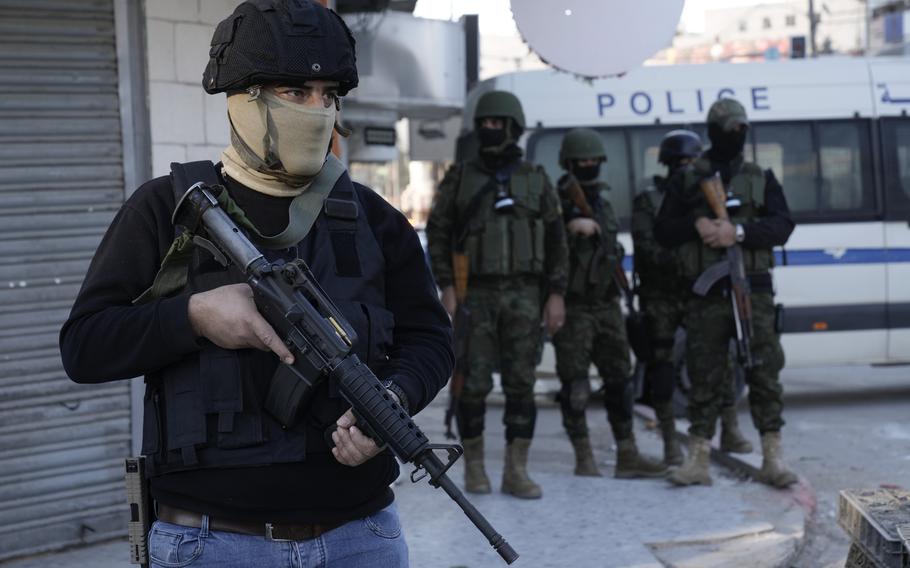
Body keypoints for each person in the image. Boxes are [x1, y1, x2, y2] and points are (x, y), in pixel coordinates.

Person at [59, 2, 454, 566]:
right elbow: (84, 346)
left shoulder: (372, 217)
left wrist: (389, 402)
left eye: (329, 95)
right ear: (243, 100)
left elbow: (431, 342)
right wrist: (194, 317)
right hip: (210, 541)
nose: (317, 110)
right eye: (295, 92)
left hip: (360, 536)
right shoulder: (164, 210)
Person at [425, 90, 569, 499]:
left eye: (496, 124)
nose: (490, 130)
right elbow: (438, 232)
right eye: (485, 124)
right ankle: (474, 467)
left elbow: (557, 241)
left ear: (512, 127)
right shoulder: (460, 177)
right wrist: (448, 288)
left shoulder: (536, 179)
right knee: (472, 385)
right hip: (476, 297)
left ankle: (515, 470)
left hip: (526, 294)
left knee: (522, 384)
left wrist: (556, 294)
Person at [655, 99, 797, 488]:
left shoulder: (761, 177)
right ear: (713, 131)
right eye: (729, 129)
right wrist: (697, 222)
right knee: (704, 374)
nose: (736, 136)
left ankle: (773, 456)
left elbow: (783, 225)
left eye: (741, 129)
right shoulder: (687, 180)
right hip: (708, 293)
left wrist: (736, 233)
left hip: (753, 290)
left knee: (764, 371)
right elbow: (663, 230)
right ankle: (697, 458)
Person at [631, 130, 753, 467]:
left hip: (699, 291)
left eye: (690, 162)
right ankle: (671, 441)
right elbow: (650, 247)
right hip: (661, 297)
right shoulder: (650, 200)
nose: (685, 169)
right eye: (679, 163)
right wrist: (689, 238)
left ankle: (729, 427)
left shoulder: (706, 194)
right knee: (663, 368)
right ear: (668, 165)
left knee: (719, 357)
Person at [552, 128, 667, 479]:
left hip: (606, 303)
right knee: (575, 385)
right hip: (573, 306)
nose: (588, 166)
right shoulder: (555, 202)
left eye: (593, 161)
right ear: (569, 164)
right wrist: (569, 226)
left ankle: (627, 454)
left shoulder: (601, 201)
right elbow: (546, 248)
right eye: (581, 161)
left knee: (620, 380)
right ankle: (583, 456)